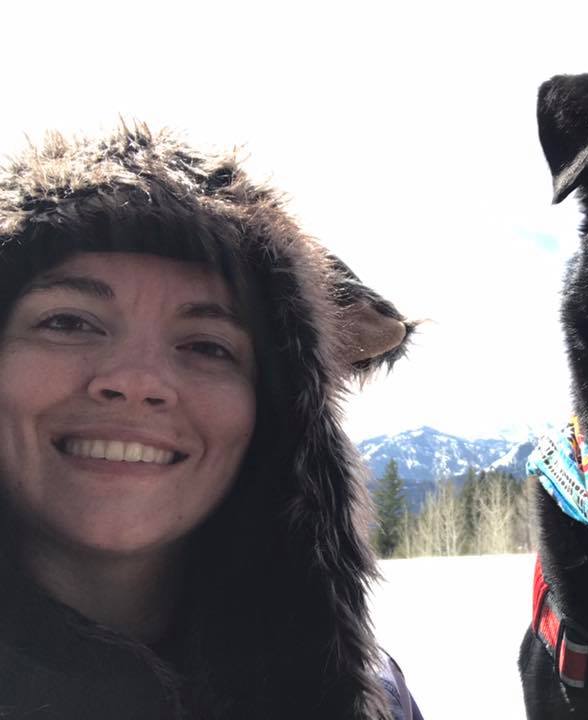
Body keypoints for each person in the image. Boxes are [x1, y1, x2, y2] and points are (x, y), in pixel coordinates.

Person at [0, 124, 423, 719]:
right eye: (68, 322)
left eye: (207, 345)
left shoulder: (375, 699)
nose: (137, 381)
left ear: (277, 420)